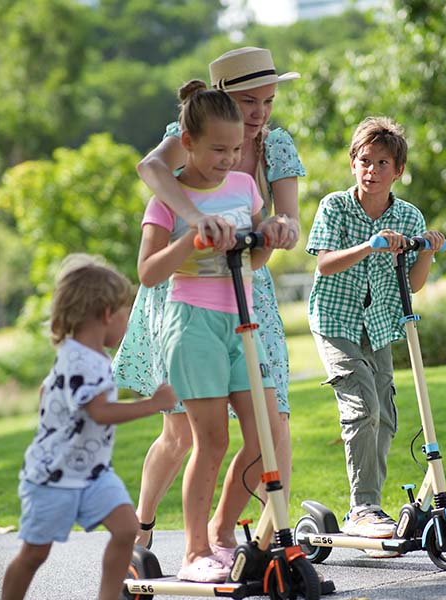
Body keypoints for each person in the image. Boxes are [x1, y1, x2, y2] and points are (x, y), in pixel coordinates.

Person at [112, 46, 304, 552]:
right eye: (248, 101)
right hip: (185, 300)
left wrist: (276, 232)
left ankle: (243, 538)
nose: (260, 113)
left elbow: (284, 220)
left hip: (244, 288)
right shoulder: (188, 137)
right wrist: (194, 224)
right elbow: (153, 176)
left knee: (271, 423)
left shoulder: (269, 151)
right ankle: (146, 525)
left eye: (268, 100)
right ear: (220, 99)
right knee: (185, 435)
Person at [133, 79, 283, 583]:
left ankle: (222, 532)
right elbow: (149, 272)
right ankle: (194, 551)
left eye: (236, 149)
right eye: (218, 149)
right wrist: (190, 242)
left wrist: (274, 235)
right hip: (191, 323)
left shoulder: (244, 186)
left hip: (243, 320)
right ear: (188, 142)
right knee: (212, 441)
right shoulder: (169, 198)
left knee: (265, 434)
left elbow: (256, 256)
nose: (228, 158)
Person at [1, 254, 177, 600]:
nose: (129, 321)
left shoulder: (83, 356)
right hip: (54, 477)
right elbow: (99, 412)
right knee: (34, 554)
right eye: (126, 313)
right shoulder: (82, 360)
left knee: (127, 530)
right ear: (107, 313)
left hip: (93, 473)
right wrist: (152, 405)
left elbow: (47, 391)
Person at [305, 116, 446, 540]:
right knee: (361, 406)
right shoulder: (335, 206)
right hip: (335, 318)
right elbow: (325, 263)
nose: (372, 170)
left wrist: (427, 248)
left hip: (380, 324)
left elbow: (415, 283)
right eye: (364, 161)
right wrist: (371, 243)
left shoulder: (408, 214)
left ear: (397, 170)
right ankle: (362, 507)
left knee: (384, 414)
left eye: (382, 163)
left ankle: (370, 506)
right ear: (353, 164)